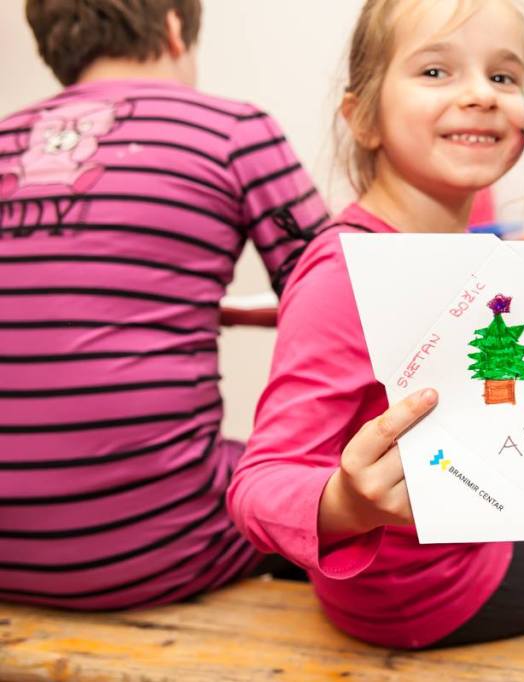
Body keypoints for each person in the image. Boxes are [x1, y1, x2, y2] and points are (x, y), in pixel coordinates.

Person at [227, 0, 524, 650]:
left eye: (503, 76)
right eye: (435, 71)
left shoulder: (456, 253)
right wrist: (346, 504)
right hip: (420, 593)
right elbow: (258, 484)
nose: (481, 95)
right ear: (363, 118)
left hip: (466, 543)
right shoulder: (345, 272)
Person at [0, 0, 329, 609]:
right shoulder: (232, 130)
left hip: (7, 554)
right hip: (157, 546)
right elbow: (344, 299)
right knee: (312, 487)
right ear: (176, 29)